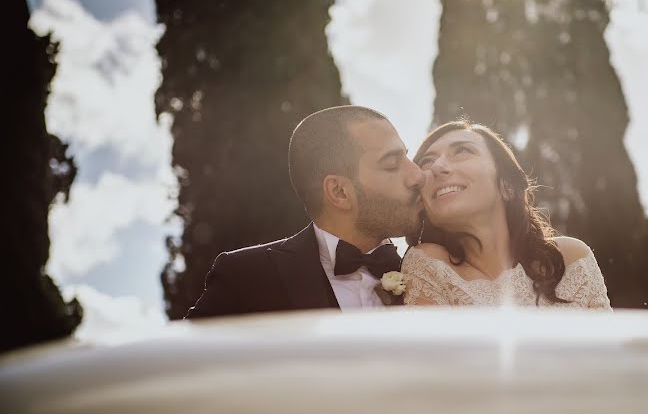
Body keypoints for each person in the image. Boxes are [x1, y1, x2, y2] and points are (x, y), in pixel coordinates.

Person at [186, 105, 424, 318]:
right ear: (339, 191)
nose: (418, 176)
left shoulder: (428, 273)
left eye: (407, 156)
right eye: (392, 164)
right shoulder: (246, 277)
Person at [401, 120, 612, 310]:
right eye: (427, 162)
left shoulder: (573, 258)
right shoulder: (427, 262)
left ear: (507, 186)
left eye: (463, 151)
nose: (437, 167)